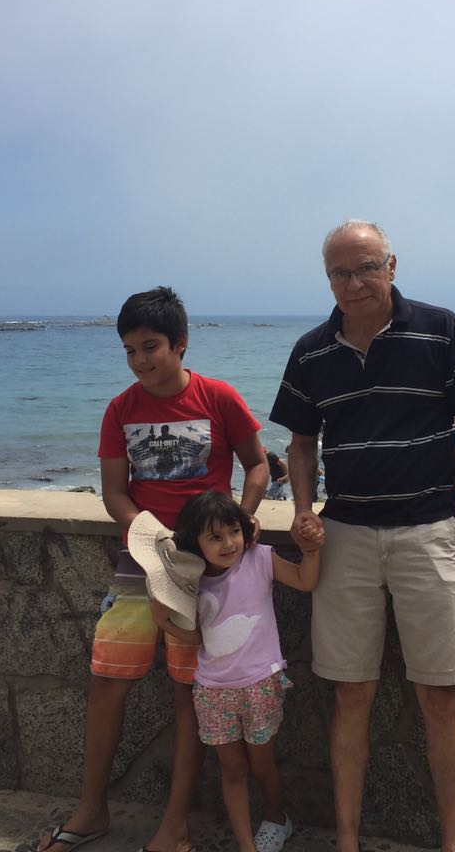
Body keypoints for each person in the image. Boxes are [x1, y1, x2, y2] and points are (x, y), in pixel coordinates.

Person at [269, 220, 455, 852]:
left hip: (430, 532)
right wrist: (303, 509)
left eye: (366, 267)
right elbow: (302, 445)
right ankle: (347, 841)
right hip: (345, 537)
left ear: (392, 266)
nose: (355, 282)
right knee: (350, 695)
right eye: (340, 272)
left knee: (441, 697)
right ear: (328, 280)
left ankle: (452, 844)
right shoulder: (311, 351)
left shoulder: (441, 329)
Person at [27, 286, 269, 852]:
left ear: (180, 343)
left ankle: (175, 827)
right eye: (130, 350)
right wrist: (149, 534)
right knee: (108, 679)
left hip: (205, 570)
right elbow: (115, 493)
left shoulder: (218, 397)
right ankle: (92, 810)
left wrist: (241, 517)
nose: (140, 360)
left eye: (150, 347)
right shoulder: (121, 409)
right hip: (141, 565)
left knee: (188, 693)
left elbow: (257, 465)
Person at [151, 490, 322, 852]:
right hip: (212, 690)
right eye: (215, 537)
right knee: (231, 769)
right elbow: (198, 634)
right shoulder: (191, 582)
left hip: (261, 684)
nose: (229, 543)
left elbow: (305, 581)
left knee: (262, 765)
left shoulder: (260, 558)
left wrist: (310, 553)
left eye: (234, 531)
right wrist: (163, 618)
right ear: (194, 543)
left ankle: (277, 817)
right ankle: (246, 845)